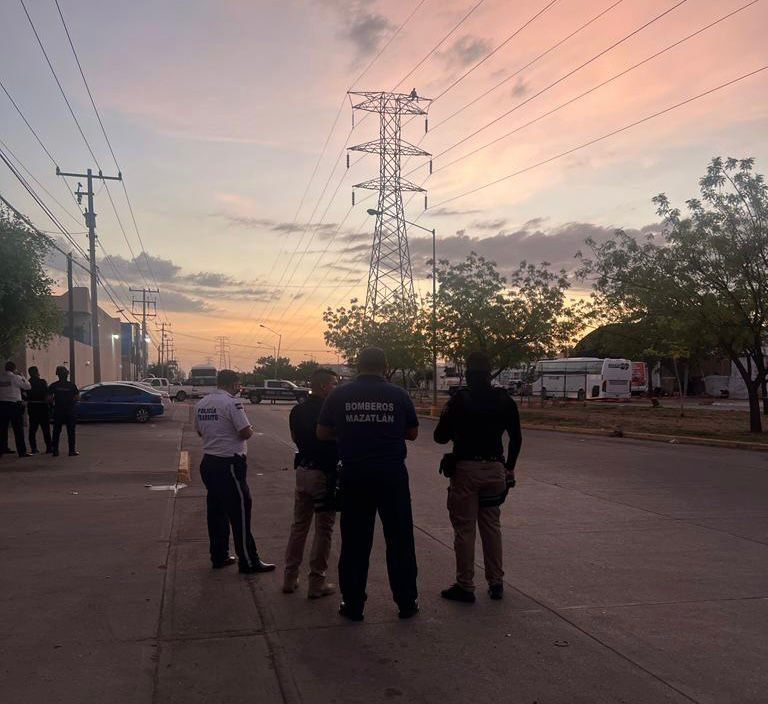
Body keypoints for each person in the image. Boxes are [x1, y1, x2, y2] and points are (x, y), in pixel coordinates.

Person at [317, 347, 420, 621]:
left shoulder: (340, 394)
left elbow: (322, 432)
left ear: (357, 366)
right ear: (385, 366)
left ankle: (353, 605)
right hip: (392, 476)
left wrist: (351, 432)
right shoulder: (399, 394)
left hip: (355, 474)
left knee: (354, 542)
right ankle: (406, 602)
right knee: (399, 540)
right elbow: (412, 433)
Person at [434, 351, 522, 603]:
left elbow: (440, 436)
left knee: (465, 529)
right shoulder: (504, 400)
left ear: (467, 374)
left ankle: (465, 585)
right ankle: (496, 583)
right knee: (492, 527)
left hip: (466, 470)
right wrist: (510, 468)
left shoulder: (459, 400)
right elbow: (516, 438)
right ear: (490, 372)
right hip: (495, 469)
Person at [194, 369, 275, 575]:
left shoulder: (202, 403)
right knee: (240, 512)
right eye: (239, 384)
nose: (240, 388)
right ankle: (248, 561)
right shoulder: (232, 403)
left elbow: (199, 431)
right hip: (229, 463)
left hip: (209, 462)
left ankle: (219, 555)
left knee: (216, 511)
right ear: (232, 384)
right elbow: (245, 432)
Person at [283, 368, 339, 598]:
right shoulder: (330, 411)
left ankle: (290, 577)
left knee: (299, 526)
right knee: (323, 529)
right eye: (334, 384)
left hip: (303, 471)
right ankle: (317, 582)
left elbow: (296, 439)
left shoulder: (297, 410)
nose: (336, 388)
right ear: (325, 386)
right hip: (323, 474)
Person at [0, 361, 31, 458]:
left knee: (2, 429)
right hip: (14, 406)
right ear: (14, 368)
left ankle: (2, 449)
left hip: (2, 405)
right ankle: (22, 452)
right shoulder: (15, 377)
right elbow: (28, 386)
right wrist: (22, 376)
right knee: (18, 429)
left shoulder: (1, 378)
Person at [49, 366, 79, 457]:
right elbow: (77, 398)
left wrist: (53, 404)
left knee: (56, 431)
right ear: (67, 374)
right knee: (71, 432)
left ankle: (55, 451)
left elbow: (49, 398)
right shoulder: (72, 385)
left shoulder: (54, 385)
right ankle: (71, 451)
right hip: (70, 411)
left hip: (58, 410)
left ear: (57, 374)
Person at [27, 366, 52, 454]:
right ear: (37, 372)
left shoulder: (28, 382)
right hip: (42, 407)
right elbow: (47, 393)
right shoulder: (42, 382)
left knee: (32, 429)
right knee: (46, 429)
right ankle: (49, 448)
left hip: (32, 407)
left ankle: (34, 448)